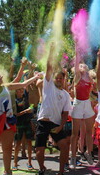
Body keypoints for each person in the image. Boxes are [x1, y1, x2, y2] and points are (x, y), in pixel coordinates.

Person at [0, 68, 41, 175]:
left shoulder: (6, 86)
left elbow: (23, 84)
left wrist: (35, 77)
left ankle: (7, 171)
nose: (1, 76)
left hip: (8, 121)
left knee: (7, 148)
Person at [35, 43, 71, 175]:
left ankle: (61, 172)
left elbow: (66, 113)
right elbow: (49, 66)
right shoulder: (48, 85)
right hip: (43, 122)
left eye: (61, 78)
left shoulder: (66, 95)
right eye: (57, 77)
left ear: (63, 79)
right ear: (53, 78)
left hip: (56, 124)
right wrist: (51, 51)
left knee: (64, 147)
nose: (59, 79)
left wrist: (61, 126)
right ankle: (42, 168)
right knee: (39, 150)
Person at [70, 44, 95, 169]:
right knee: (75, 133)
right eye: (80, 65)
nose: (82, 65)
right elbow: (76, 62)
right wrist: (76, 47)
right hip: (78, 103)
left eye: (84, 64)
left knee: (89, 132)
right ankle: (73, 157)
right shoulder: (77, 77)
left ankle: (89, 153)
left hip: (87, 103)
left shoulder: (90, 78)